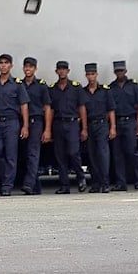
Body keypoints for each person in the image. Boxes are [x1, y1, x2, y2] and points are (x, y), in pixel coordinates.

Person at [0, 54, 29, 196]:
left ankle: (7, 185)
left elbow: (24, 105)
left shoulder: (17, 84)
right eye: (1, 63)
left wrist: (25, 125)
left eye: (6, 63)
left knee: (11, 154)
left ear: (11, 66)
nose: (3, 65)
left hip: (12, 121)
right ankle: (6, 176)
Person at [49, 60, 85, 193]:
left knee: (73, 152)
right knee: (60, 156)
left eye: (64, 69)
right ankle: (64, 185)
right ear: (56, 71)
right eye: (60, 69)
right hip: (58, 124)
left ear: (68, 71)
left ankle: (80, 177)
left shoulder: (76, 87)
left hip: (72, 123)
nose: (62, 71)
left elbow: (82, 108)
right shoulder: (52, 89)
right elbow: (51, 110)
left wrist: (84, 128)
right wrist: (48, 128)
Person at [108, 60, 138, 191]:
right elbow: (110, 108)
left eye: (121, 71)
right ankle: (121, 183)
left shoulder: (133, 86)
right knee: (118, 154)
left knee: (132, 152)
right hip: (117, 122)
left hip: (130, 122)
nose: (119, 73)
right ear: (115, 72)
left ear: (125, 71)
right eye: (117, 71)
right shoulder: (111, 88)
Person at [81, 62, 116, 193]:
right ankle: (96, 183)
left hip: (102, 124)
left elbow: (111, 110)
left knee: (103, 154)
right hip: (90, 125)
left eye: (93, 74)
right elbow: (83, 111)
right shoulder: (83, 92)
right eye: (88, 74)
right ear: (86, 75)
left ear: (96, 74)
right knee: (92, 155)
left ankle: (105, 183)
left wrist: (113, 127)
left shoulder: (105, 91)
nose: (91, 77)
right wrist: (84, 128)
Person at [20, 57, 52, 195]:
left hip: (36, 121)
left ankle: (28, 184)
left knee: (33, 153)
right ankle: (36, 185)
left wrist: (47, 129)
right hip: (20, 122)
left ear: (35, 69)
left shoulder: (41, 85)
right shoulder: (18, 84)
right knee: (23, 154)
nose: (28, 69)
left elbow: (47, 108)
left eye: (31, 67)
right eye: (26, 67)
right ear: (23, 68)